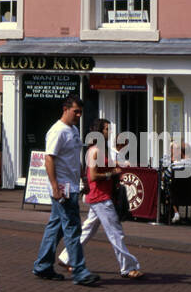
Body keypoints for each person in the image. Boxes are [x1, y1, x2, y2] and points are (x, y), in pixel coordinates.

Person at [30, 96, 100, 286]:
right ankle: (79, 271)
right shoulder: (57, 131)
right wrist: (54, 187)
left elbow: (73, 158)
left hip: (72, 185)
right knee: (72, 228)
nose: (78, 115)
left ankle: (43, 265)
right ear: (65, 109)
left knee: (57, 227)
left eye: (80, 112)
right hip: (63, 187)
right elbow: (49, 159)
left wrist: (83, 178)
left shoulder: (74, 130)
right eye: (75, 111)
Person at [60, 119, 142, 278]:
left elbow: (109, 165)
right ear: (99, 132)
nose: (109, 132)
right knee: (116, 232)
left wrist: (119, 166)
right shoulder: (95, 151)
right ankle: (128, 267)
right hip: (100, 197)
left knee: (87, 229)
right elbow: (93, 175)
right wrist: (112, 174)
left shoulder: (100, 150)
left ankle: (67, 257)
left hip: (100, 196)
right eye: (106, 129)